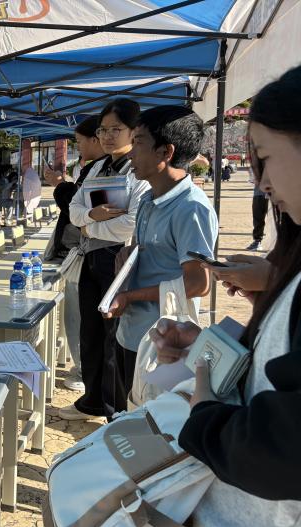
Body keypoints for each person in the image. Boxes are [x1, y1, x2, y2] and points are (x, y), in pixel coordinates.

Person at [153, 65, 301, 527]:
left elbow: (281, 448)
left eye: (263, 157)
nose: (259, 182)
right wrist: (216, 351)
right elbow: (279, 371)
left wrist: (205, 411)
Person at [103, 105, 218, 405]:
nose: (130, 153)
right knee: (124, 411)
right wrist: (129, 257)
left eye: (138, 143)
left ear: (166, 152)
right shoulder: (148, 199)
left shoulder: (191, 208)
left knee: (148, 421)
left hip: (162, 345)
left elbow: (198, 284)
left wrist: (130, 296)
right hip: (131, 333)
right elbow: (151, 253)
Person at [60, 99, 150, 421]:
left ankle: (115, 412)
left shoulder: (139, 170)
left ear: (133, 131)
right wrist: (90, 217)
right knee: (91, 334)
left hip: (119, 261)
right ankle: (92, 400)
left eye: (116, 129)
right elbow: (74, 209)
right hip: (91, 259)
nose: (108, 136)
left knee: (114, 338)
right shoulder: (97, 168)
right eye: (103, 130)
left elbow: (132, 223)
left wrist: (89, 224)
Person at [43, 115, 105, 394]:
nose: (78, 147)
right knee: (78, 317)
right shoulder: (97, 169)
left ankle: (83, 371)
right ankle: (83, 369)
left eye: (80, 141)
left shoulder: (103, 171)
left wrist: (60, 184)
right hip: (83, 253)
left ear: (95, 139)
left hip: (87, 255)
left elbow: (78, 212)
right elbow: (80, 211)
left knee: (80, 318)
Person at [246, 185, 269, 251]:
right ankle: (257, 241)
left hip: (273, 194)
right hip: (258, 194)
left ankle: (278, 242)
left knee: (274, 221)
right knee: (257, 218)